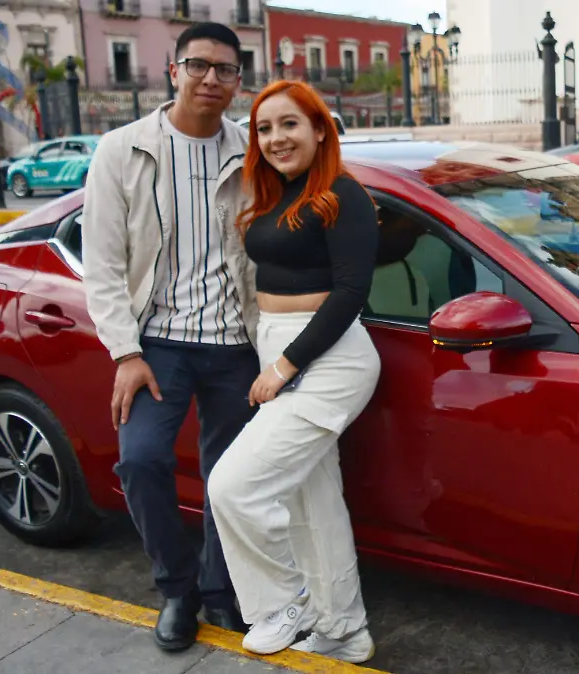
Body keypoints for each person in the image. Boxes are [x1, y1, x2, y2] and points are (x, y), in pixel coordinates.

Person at [81, 22, 258, 651]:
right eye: (199, 65)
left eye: (226, 70)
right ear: (172, 70)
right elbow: (101, 264)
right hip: (157, 344)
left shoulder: (251, 150)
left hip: (238, 343)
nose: (212, 79)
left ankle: (220, 591)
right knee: (142, 459)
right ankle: (177, 589)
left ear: (239, 81)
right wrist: (125, 353)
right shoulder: (122, 150)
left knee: (228, 477)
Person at [206, 80, 382, 663]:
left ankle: (283, 604)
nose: (276, 138)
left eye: (289, 125)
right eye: (264, 128)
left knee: (232, 487)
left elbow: (351, 292)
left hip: (327, 357)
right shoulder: (275, 192)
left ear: (319, 129)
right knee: (314, 506)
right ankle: (343, 630)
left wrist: (284, 366)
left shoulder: (343, 193)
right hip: (280, 348)